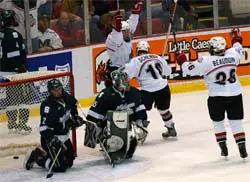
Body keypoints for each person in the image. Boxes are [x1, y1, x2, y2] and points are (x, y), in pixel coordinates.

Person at [175, 28, 248, 159]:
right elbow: (238, 45)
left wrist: (181, 58)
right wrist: (236, 37)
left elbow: (187, 69)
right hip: (235, 94)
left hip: (216, 97)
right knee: (236, 122)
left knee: (218, 123)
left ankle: (223, 148)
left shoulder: (205, 61)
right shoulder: (232, 55)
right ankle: (242, 148)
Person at [86, 70, 148, 163]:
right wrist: (96, 130)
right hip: (109, 126)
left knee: (136, 135)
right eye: (125, 81)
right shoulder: (106, 94)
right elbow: (93, 114)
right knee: (114, 142)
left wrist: (141, 122)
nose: (128, 83)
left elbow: (140, 108)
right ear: (118, 82)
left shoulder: (134, 92)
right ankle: (107, 143)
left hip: (127, 125)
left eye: (127, 80)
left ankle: (127, 147)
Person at [24, 79, 85, 172]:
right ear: (50, 92)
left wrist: (75, 117)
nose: (58, 92)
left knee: (69, 162)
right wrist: (52, 140)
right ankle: (37, 156)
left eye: (59, 89)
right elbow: (43, 128)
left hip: (64, 137)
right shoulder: (47, 106)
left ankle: (48, 155)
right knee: (60, 167)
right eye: (55, 90)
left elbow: (73, 106)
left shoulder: (67, 98)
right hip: (50, 139)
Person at [123, 40, 177, 139]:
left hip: (148, 90)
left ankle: (142, 130)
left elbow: (126, 77)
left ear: (137, 50)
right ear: (148, 50)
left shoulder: (135, 60)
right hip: (163, 87)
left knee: (140, 109)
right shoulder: (158, 57)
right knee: (163, 110)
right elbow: (168, 71)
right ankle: (171, 127)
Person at [0, 9, 32, 134]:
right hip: (14, 72)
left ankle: (12, 123)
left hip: (3, 71)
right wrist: (20, 67)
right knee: (25, 98)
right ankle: (22, 124)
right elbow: (15, 55)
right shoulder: (13, 34)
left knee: (11, 98)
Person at [102, 0, 143, 87]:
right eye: (125, 31)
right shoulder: (111, 38)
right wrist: (117, 30)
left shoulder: (126, 33)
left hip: (126, 68)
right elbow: (117, 38)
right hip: (115, 69)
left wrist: (135, 11)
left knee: (126, 91)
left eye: (128, 31)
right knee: (116, 92)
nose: (128, 33)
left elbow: (132, 23)